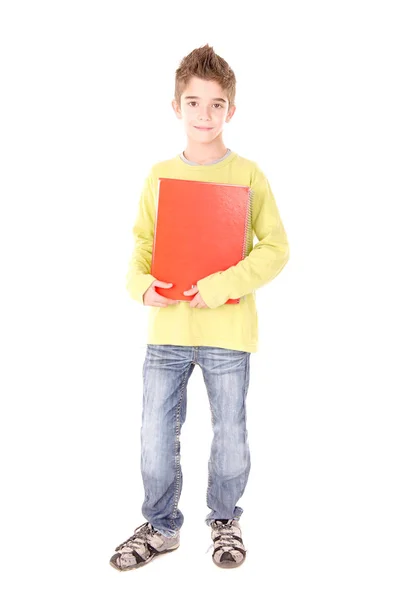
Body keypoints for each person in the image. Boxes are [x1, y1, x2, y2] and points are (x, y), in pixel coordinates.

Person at [109, 43, 290, 572]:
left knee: (230, 434)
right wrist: (140, 286)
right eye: (193, 103)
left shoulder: (249, 175)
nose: (204, 114)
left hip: (228, 331)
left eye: (215, 104)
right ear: (176, 108)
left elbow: (276, 249)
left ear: (230, 110)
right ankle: (162, 527)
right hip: (166, 329)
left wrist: (221, 286)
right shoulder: (160, 174)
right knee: (154, 436)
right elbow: (142, 242)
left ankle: (225, 520)